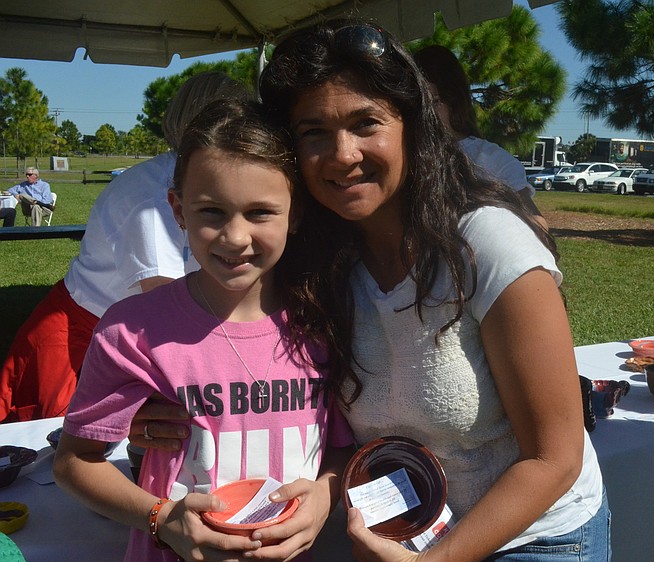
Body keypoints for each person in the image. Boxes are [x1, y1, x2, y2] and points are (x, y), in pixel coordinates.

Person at [132, 19, 610, 561]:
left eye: (366, 123)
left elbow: (555, 458)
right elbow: (266, 382)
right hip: (398, 533)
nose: (342, 154)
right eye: (313, 131)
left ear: (411, 126)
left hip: (534, 540)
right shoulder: (314, 262)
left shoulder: (488, 244)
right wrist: (165, 415)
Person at [53, 97, 355, 562]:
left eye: (260, 213)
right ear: (178, 211)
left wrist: (325, 498)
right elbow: (76, 461)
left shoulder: (323, 323)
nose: (235, 237)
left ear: (295, 215)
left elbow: (338, 448)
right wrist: (161, 519)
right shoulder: (132, 331)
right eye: (212, 211)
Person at [0, 72, 246, 423]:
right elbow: (167, 307)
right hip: (79, 334)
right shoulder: (153, 194)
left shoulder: (202, 178)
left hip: (124, 329)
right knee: (53, 449)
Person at [412, 45, 547, 228]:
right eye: (416, 103)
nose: (425, 112)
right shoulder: (404, 156)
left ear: (454, 98)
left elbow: (538, 225)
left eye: (434, 101)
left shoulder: (491, 160)